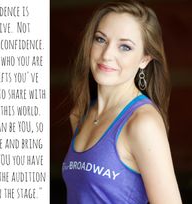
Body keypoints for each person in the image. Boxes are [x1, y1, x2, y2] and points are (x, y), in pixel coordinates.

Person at [62, 0, 182, 203]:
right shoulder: (80, 115)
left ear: (145, 59)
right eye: (100, 39)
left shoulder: (142, 123)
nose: (107, 54)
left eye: (125, 47)